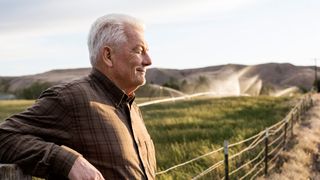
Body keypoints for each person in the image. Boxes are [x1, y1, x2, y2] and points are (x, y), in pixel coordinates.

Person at [0, 14, 156, 179]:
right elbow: (3, 136)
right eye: (139, 51)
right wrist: (68, 162)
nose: (149, 61)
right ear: (108, 56)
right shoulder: (70, 98)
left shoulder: (130, 105)